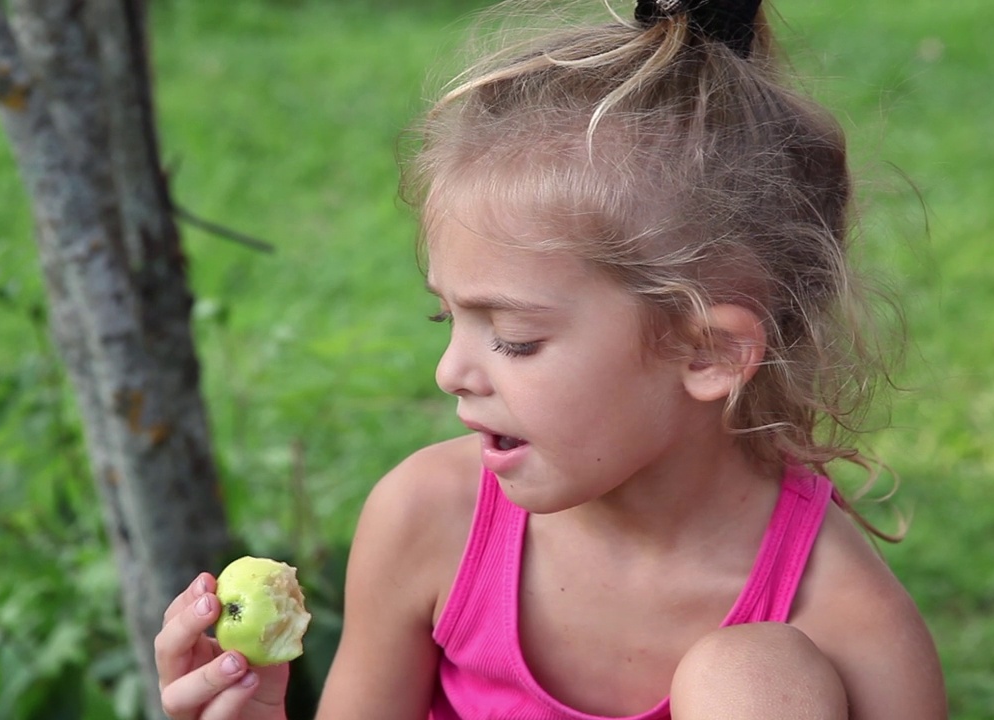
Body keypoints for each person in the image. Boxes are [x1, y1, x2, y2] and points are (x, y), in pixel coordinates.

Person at [154, 0, 948, 717]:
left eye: (515, 339)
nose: (451, 371)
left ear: (707, 352)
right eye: (448, 316)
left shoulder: (845, 621)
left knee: (752, 674)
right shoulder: (429, 523)